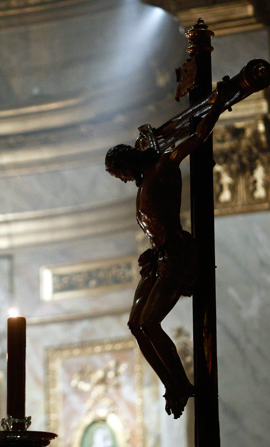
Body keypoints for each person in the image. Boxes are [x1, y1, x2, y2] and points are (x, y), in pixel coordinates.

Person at [105, 81, 230, 419]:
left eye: (119, 173)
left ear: (128, 163)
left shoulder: (163, 167)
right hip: (158, 257)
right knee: (136, 324)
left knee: (149, 323)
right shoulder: (143, 181)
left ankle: (179, 382)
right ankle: (172, 383)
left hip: (177, 255)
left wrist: (216, 103)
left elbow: (197, 138)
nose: (120, 179)